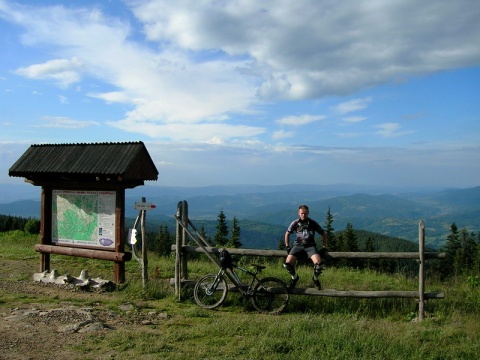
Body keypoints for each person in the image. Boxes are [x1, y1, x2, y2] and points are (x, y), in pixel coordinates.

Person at [283, 204, 328, 290]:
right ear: (298, 213)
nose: (303, 215)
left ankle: (315, 279)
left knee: (319, 265)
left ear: (308, 213)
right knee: (287, 264)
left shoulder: (313, 223)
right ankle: (294, 278)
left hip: (310, 246)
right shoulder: (295, 223)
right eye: (302, 213)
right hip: (297, 246)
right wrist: (287, 246)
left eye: (305, 213)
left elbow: (323, 233)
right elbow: (287, 233)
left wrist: (324, 247)